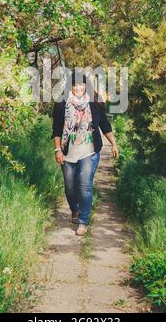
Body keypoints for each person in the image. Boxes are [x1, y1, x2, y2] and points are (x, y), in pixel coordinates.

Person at [51, 71, 119, 236]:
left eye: (82, 84)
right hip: (68, 153)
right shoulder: (62, 104)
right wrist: (57, 149)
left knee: (85, 186)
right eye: (75, 84)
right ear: (71, 87)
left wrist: (114, 144)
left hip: (89, 151)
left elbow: (104, 124)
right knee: (70, 187)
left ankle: (83, 221)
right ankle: (74, 209)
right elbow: (57, 129)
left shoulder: (94, 103)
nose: (79, 87)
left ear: (86, 86)